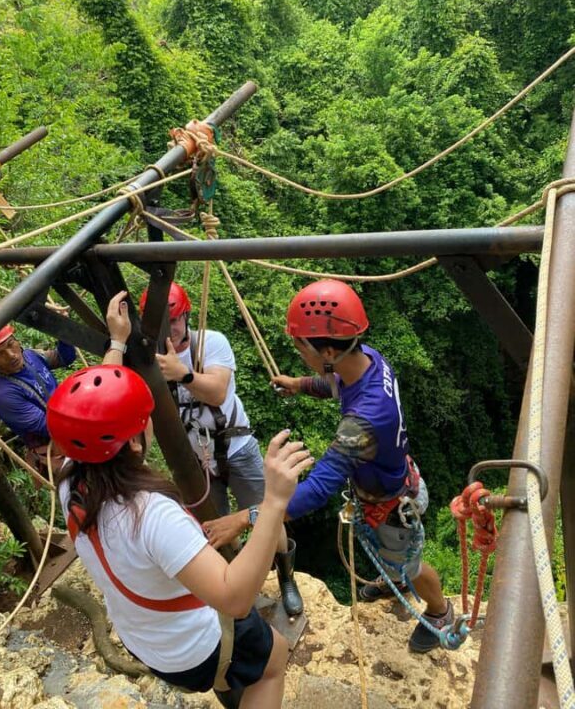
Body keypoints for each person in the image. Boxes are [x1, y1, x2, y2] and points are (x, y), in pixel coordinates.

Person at [49, 291, 313, 707]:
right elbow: (235, 599)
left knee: (235, 665)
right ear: (136, 442)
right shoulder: (151, 514)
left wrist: (117, 345)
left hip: (145, 639)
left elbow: (94, 410)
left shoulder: (69, 481)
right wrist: (276, 499)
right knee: (274, 659)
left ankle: (233, 679)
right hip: (191, 649)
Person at [202, 280, 454, 654]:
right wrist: (298, 384)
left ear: (330, 350)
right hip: (389, 483)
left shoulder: (364, 422)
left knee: (411, 567)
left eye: (302, 347)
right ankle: (393, 578)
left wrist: (242, 518)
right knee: (394, 560)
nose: (299, 353)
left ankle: (439, 612)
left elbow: (314, 492)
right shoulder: (369, 360)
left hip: (392, 505)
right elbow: (335, 383)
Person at [139, 282, 303, 617]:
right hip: (196, 459)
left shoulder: (211, 342)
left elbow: (216, 392)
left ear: (185, 316)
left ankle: (286, 577)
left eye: (174, 320)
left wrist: (182, 374)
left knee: (267, 515)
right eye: (160, 323)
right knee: (214, 528)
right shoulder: (147, 361)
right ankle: (238, 582)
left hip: (236, 446)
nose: (168, 329)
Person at [0, 312, 76, 475]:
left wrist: (60, 327)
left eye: (10, 344)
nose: (11, 355)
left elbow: (65, 357)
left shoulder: (30, 357)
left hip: (71, 428)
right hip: (57, 451)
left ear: (16, 340)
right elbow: (49, 426)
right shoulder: (4, 395)